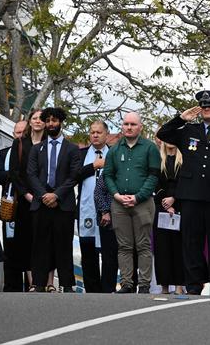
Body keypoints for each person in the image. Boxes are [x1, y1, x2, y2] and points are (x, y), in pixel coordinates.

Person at [157, 90, 210, 295]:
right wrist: (181, 118)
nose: (206, 109)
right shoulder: (189, 130)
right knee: (191, 243)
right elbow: (163, 134)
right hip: (190, 195)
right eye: (203, 107)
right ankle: (194, 285)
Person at [104, 112, 160, 294]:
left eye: (133, 124)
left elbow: (154, 176)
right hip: (119, 203)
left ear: (140, 127)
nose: (129, 127)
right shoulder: (114, 149)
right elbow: (108, 175)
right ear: (122, 126)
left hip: (142, 202)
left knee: (143, 245)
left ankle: (144, 285)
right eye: (126, 124)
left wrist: (138, 196)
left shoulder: (150, 148)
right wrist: (116, 194)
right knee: (124, 246)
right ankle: (127, 283)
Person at [27, 107, 81, 292]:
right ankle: (39, 283)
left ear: (60, 122)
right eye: (48, 120)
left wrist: (56, 195)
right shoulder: (36, 149)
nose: (51, 124)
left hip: (63, 204)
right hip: (41, 204)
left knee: (63, 245)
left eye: (54, 120)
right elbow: (31, 175)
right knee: (40, 245)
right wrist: (44, 196)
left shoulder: (72, 149)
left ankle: (67, 284)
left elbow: (74, 176)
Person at [9, 110, 53, 291]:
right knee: (26, 241)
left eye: (41, 119)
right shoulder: (19, 143)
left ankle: (49, 282)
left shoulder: (50, 143)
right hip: (25, 202)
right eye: (34, 118)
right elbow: (14, 173)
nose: (37, 121)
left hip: (47, 199)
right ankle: (33, 282)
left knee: (47, 240)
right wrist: (27, 194)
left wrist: (45, 196)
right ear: (29, 122)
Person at [76, 121, 111, 293]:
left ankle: (107, 289)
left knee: (108, 251)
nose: (95, 135)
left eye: (99, 132)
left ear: (106, 134)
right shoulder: (81, 154)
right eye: (92, 132)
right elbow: (73, 175)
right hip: (86, 209)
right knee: (88, 251)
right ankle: (92, 290)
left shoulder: (114, 153)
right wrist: (93, 166)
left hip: (109, 211)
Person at [0, 120, 26, 292]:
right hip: (10, 204)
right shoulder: (4, 153)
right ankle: (11, 286)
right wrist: (14, 174)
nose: (20, 136)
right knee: (10, 246)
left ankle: (31, 284)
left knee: (27, 245)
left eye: (23, 132)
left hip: (27, 205)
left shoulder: (33, 152)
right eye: (17, 132)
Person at [153, 141, 185, 295]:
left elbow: (186, 182)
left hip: (180, 206)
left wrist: (175, 199)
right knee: (162, 248)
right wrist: (165, 202)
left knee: (179, 247)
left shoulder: (184, 159)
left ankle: (179, 285)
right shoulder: (158, 160)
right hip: (162, 206)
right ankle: (164, 286)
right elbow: (155, 183)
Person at [93, 166, 119, 293]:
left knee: (130, 254)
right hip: (109, 219)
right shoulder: (109, 169)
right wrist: (104, 211)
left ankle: (129, 286)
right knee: (109, 257)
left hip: (130, 218)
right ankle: (107, 290)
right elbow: (98, 192)